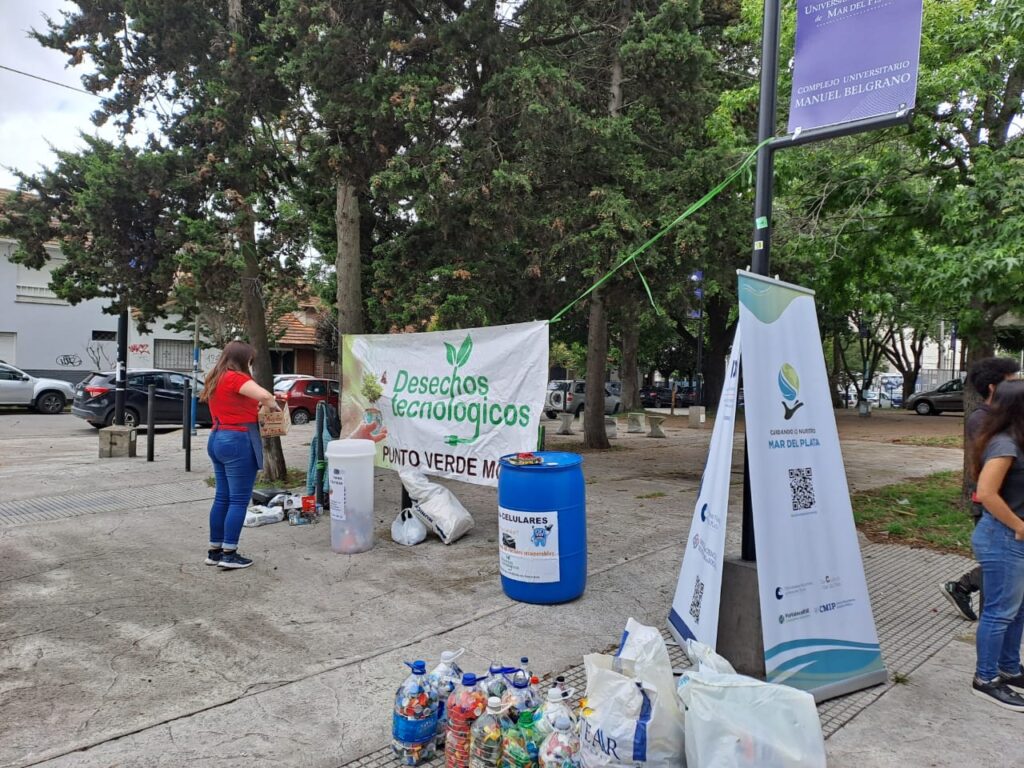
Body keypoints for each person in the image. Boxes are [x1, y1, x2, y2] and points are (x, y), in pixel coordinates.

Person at [942, 357, 1021, 620]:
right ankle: (966, 592)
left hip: (1013, 506)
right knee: (1001, 572)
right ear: (993, 388)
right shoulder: (983, 420)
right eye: (1012, 382)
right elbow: (992, 478)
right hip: (998, 508)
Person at [199, 341, 280, 570]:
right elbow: (266, 396)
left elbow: (233, 404)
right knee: (238, 500)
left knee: (222, 498)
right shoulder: (236, 377)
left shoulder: (215, 377)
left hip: (217, 437)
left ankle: (214, 551)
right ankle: (230, 553)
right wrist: (273, 408)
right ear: (244, 359)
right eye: (250, 361)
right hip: (238, 439)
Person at [969, 379, 1024, 711]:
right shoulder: (1004, 445)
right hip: (1003, 538)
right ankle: (985, 679)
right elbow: (986, 493)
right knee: (1000, 612)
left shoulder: (1017, 440)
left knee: (1018, 610)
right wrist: (1019, 526)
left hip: (1012, 536)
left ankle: (1009, 667)